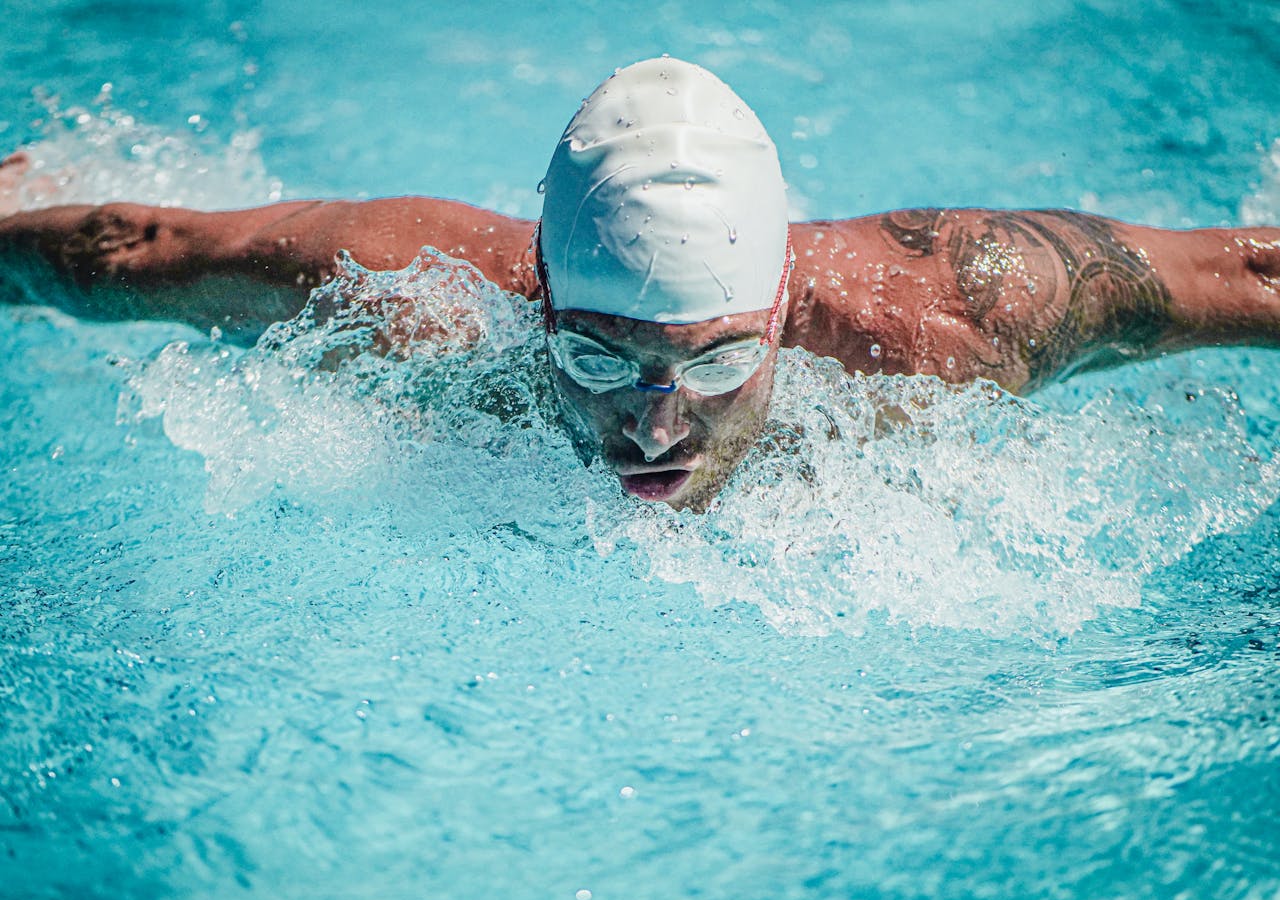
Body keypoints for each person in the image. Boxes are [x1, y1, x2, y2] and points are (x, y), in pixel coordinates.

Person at [2, 57, 1279, 511]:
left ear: (781, 310)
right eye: (600, 361)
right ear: (541, 307)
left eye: (719, 360)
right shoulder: (417, 297)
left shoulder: (956, 311)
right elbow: (137, 247)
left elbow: (1240, 270)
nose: (655, 429)